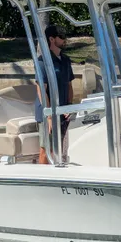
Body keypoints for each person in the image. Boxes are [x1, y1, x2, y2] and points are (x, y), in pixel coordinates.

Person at [35, 25, 75, 164]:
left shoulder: (66, 61)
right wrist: (50, 116)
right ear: (52, 39)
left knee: (61, 149)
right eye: (62, 37)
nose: (65, 40)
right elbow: (41, 89)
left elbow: (69, 86)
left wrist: (69, 107)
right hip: (48, 114)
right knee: (47, 149)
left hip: (63, 112)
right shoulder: (43, 62)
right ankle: (41, 180)